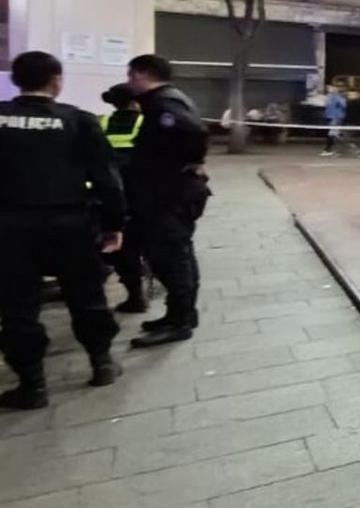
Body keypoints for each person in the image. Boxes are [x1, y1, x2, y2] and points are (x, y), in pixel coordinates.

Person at [0, 51, 125, 409]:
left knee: (17, 306)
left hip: (9, 227)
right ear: (57, 80)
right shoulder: (79, 121)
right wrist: (114, 224)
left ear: (15, 80)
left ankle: (32, 384)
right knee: (86, 295)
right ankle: (101, 363)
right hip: (70, 224)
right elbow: (107, 179)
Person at [125, 54, 210, 348]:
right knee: (176, 254)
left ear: (142, 74)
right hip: (167, 192)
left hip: (170, 194)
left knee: (171, 257)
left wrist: (193, 161)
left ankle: (180, 321)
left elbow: (195, 131)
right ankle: (180, 313)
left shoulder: (164, 102)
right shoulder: (163, 99)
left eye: (131, 76)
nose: (129, 82)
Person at [100, 83, 147, 313]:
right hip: (141, 191)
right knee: (144, 242)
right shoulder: (144, 122)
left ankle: (135, 296)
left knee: (122, 247)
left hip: (111, 194)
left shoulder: (103, 123)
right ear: (136, 100)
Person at [320, 85, 347, 157]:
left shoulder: (337, 98)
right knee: (333, 134)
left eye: (332, 88)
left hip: (335, 118)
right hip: (332, 118)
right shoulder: (330, 97)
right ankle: (327, 150)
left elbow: (343, 106)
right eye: (329, 89)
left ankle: (328, 149)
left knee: (334, 134)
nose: (330, 90)